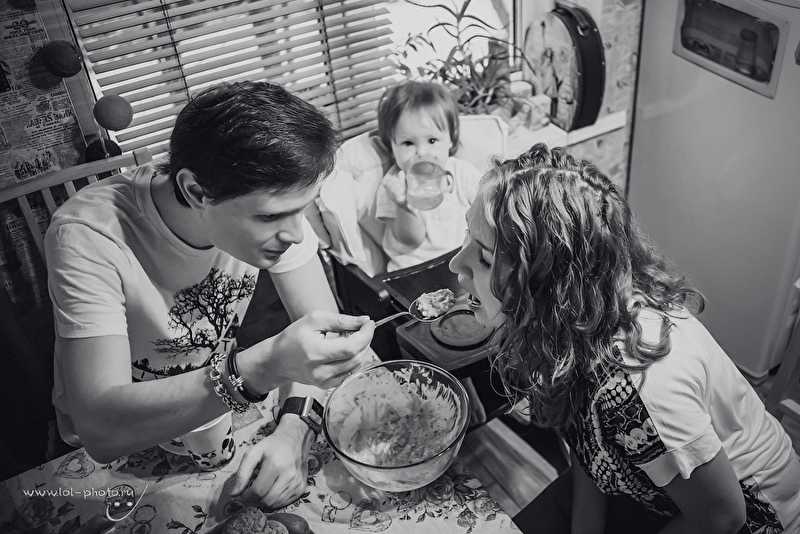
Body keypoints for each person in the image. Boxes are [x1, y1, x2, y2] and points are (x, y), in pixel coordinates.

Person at [44, 80, 375, 508]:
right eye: (271, 216)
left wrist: (294, 429)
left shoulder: (271, 201)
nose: (296, 234)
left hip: (219, 414)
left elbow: (326, 340)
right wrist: (262, 367)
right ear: (196, 191)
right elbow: (101, 430)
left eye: (303, 208)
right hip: (119, 451)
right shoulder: (89, 235)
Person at [448, 143, 800, 533]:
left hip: (754, 515)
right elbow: (588, 439)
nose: (455, 263)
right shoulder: (571, 322)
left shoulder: (634, 389)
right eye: (467, 235)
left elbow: (723, 517)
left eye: (484, 258)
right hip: (651, 488)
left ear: (548, 285)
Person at [375, 80, 482, 271]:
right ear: (391, 145)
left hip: (461, 264)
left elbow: (486, 212)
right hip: (415, 271)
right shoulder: (393, 186)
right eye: (408, 143)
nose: (422, 152)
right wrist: (403, 206)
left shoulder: (462, 173)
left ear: (451, 138)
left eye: (432, 140)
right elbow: (410, 239)